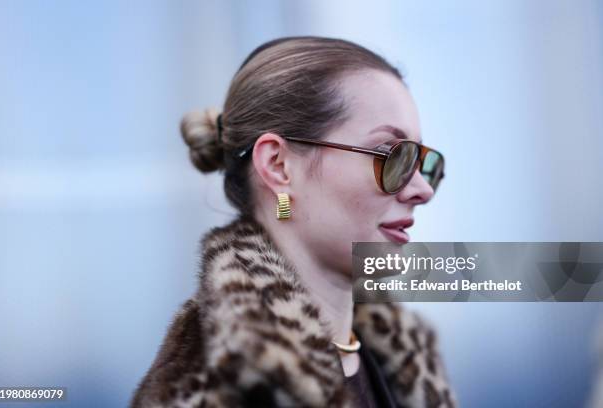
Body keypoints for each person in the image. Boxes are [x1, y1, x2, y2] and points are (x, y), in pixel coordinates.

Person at [131, 36, 456, 408]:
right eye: (390, 155)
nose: (421, 190)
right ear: (278, 166)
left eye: (422, 163)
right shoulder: (221, 389)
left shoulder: (392, 364)